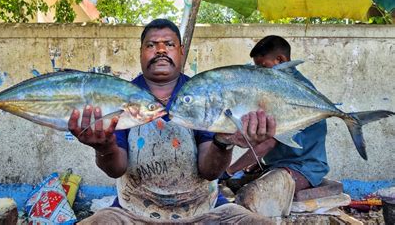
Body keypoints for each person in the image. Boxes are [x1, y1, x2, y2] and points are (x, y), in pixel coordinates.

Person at [68, 19, 276, 223]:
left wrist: (223, 142)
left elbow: (210, 171)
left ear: (181, 51)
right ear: (140, 52)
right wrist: (104, 147)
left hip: (203, 211)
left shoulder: (204, 97)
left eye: (168, 44)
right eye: (151, 45)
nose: (160, 50)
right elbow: (116, 169)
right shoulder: (121, 96)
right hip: (133, 212)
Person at [220, 35, 329, 217]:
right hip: (277, 165)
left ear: (281, 60)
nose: (258, 72)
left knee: (249, 198)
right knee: (235, 186)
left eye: (262, 66)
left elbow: (268, 143)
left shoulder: (292, 90)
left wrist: (228, 171)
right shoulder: (274, 87)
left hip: (304, 168)